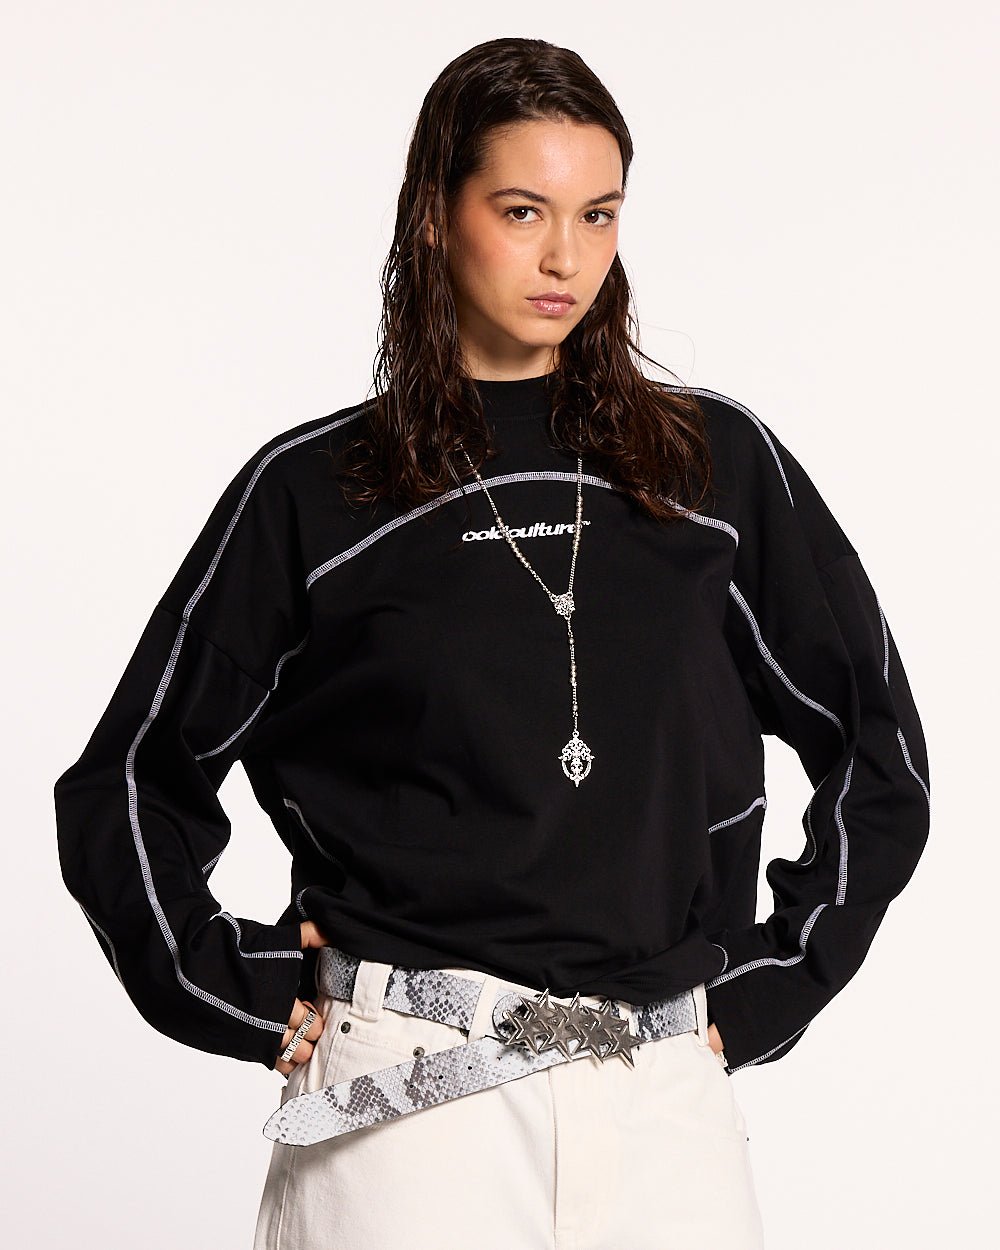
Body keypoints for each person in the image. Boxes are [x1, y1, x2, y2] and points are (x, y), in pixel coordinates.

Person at [52, 36, 931, 1250]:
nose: (565, 256)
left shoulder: (712, 472)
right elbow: (129, 779)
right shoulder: (313, 493)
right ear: (435, 214)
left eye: (598, 214)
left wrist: (783, 974)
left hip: (663, 1097)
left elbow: (877, 746)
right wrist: (224, 982)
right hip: (405, 1109)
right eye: (522, 211)